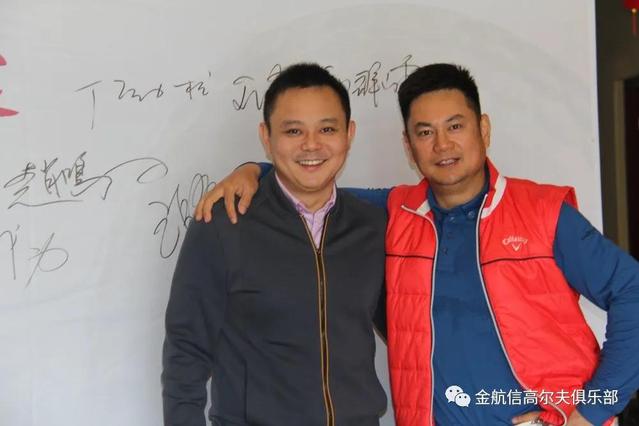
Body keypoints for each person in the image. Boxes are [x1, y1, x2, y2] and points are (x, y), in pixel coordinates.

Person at [194, 63, 639, 426]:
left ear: (483, 129)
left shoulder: (542, 212)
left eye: (455, 126)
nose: (442, 144)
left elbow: (632, 292)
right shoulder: (393, 213)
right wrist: (254, 170)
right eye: (424, 132)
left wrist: (591, 412)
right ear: (409, 147)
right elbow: (312, 185)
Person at [162, 63, 388, 426]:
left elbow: (409, 331)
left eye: (327, 129)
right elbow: (186, 348)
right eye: (293, 131)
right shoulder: (224, 224)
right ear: (266, 138)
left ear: (349, 134)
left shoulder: (372, 225)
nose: (311, 144)